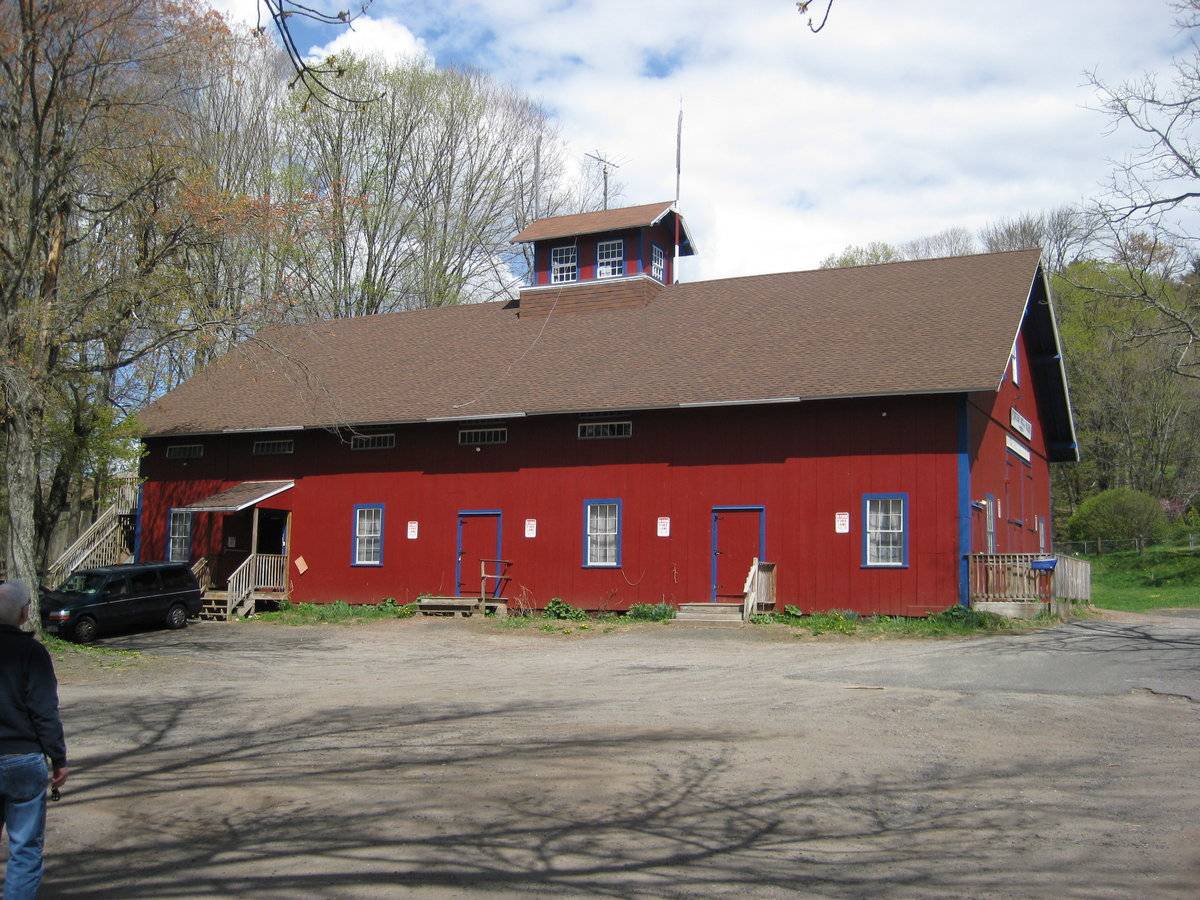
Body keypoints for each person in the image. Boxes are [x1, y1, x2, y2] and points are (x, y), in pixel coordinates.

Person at [0, 581, 68, 900]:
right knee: (25, 851)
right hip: (23, 760)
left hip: (18, 760)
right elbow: (44, 712)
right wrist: (59, 759)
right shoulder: (32, 653)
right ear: (24, 613)